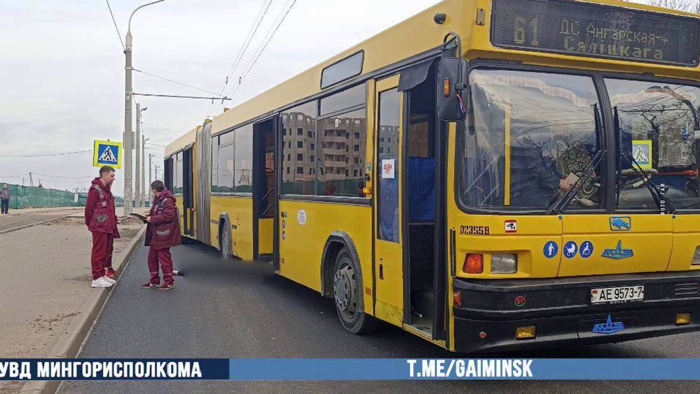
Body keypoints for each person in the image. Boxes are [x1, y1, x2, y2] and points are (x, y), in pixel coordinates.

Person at [142, 180, 181, 291]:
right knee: (152, 257)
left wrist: (152, 219)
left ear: (154, 190)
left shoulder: (167, 200)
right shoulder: (159, 199)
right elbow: (158, 212)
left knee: (164, 258)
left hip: (163, 234)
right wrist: (149, 217)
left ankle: (169, 282)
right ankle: (154, 280)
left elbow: (169, 215)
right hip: (156, 234)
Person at [85, 166, 120, 288]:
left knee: (106, 251)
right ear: (104, 175)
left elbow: (108, 209)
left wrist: (114, 219)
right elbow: (89, 209)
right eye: (112, 176)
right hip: (99, 226)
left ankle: (102, 274)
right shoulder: (95, 189)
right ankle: (96, 278)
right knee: (98, 252)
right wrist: (91, 223)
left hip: (107, 226)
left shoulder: (106, 190)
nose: (114, 178)